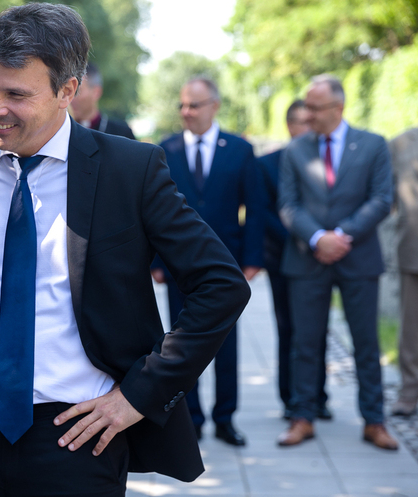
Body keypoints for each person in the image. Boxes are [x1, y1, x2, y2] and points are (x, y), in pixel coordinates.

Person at [0, 3, 250, 497]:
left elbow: (221, 285)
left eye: (17, 94)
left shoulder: (131, 169)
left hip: (78, 443)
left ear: (68, 91)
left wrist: (138, 395)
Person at [276, 75, 397, 449]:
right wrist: (317, 238)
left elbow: (381, 198)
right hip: (307, 258)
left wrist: (341, 235)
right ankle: (303, 417)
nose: (307, 115)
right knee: (305, 344)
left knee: (366, 343)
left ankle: (374, 421)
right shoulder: (295, 151)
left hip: (357, 256)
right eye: (306, 107)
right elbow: (288, 205)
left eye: (314, 108)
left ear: (338, 108)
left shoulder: (374, 145)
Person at [152, 77, 264, 447]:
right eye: (183, 105)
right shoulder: (164, 149)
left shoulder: (240, 149)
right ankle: (192, 418)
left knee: (226, 345)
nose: (186, 112)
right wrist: (155, 260)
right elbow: (150, 210)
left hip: (226, 266)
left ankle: (225, 417)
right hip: (178, 266)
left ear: (214, 105)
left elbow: (255, 207)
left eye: (194, 105)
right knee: (181, 346)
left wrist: (251, 259)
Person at [258, 100, 332, 421]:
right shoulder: (267, 164)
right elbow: (266, 214)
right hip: (284, 258)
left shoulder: (326, 160)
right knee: (288, 328)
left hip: (320, 258)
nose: (308, 127)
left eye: (311, 121)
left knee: (319, 329)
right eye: (302, 122)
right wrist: (307, 237)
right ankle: (291, 398)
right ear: (290, 126)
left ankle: (319, 396)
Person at [387, 128, 418, 417]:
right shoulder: (401, 143)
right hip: (413, 247)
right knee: (411, 327)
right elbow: (387, 196)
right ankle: (409, 392)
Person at [69, 62, 135, 139]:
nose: (70, 98)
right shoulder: (60, 132)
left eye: (76, 91)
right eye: (67, 91)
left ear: (96, 92)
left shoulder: (121, 134)